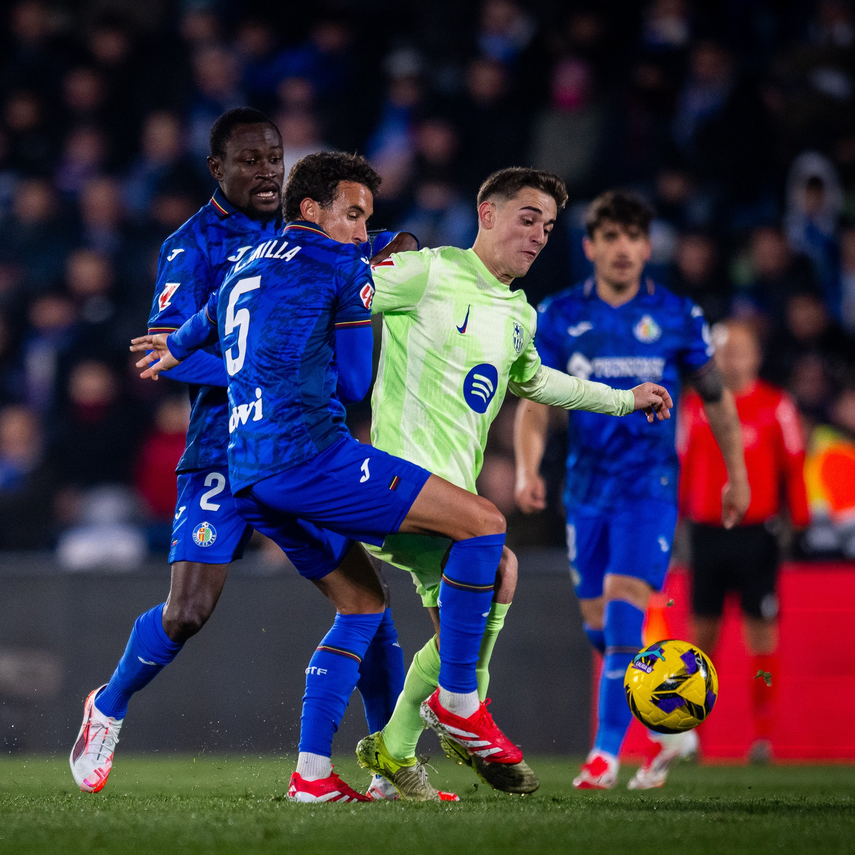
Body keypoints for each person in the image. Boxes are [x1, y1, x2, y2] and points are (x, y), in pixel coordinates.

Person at [131, 151, 569, 803]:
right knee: (484, 524)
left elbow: (207, 320)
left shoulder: (250, 263)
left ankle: (316, 772)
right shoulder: (344, 269)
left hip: (248, 470)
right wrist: (351, 312)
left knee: (362, 606)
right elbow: (359, 382)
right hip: (313, 456)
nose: (364, 232)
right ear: (312, 209)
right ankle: (453, 708)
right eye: (356, 214)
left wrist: (176, 348)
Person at [70, 112, 405, 800]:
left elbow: (357, 268)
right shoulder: (189, 246)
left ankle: (389, 764)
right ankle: (106, 705)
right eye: (249, 161)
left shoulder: (303, 229)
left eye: (275, 157)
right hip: (222, 450)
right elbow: (168, 350)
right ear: (216, 169)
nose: (267, 172)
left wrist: (391, 252)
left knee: (364, 603)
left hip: (304, 447)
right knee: (188, 609)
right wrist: (261, 368)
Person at [355, 167, 674, 800]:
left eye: (549, 228)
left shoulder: (517, 313)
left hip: (442, 502)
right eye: (527, 219)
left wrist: (622, 398)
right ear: (488, 213)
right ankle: (463, 710)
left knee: (479, 602)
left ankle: (392, 752)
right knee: (494, 550)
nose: (537, 237)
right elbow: (341, 294)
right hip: (395, 486)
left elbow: (539, 382)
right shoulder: (428, 272)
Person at [514, 189, 750, 790]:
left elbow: (717, 401)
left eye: (633, 238)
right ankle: (670, 727)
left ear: (648, 248)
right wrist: (527, 467)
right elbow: (536, 402)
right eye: (610, 237)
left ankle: (605, 753)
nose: (622, 249)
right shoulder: (560, 314)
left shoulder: (677, 315)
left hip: (650, 486)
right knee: (600, 625)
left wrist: (736, 475)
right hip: (586, 487)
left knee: (624, 608)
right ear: (590, 246)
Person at [679, 320, 809, 764]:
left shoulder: (777, 405)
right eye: (723, 353)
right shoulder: (694, 407)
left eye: (739, 352)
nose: (730, 360)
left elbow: (794, 467)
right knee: (702, 639)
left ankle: (762, 737)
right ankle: (691, 735)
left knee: (761, 637)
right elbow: (682, 466)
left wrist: (801, 523)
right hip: (707, 534)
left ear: (755, 356)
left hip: (758, 535)